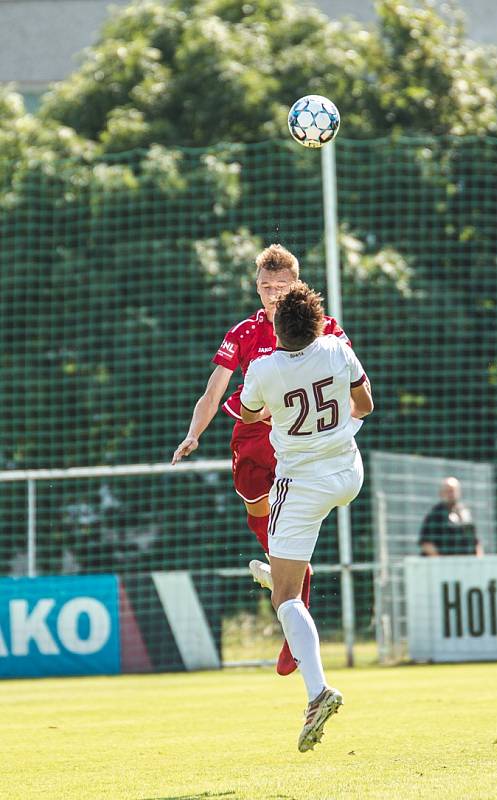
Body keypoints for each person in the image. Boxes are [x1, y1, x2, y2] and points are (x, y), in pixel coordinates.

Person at [172, 244, 351, 676]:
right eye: (265, 286)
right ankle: (288, 572)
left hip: (298, 437)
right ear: (256, 287)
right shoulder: (244, 333)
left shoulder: (321, 327)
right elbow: (215, 389)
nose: (273, 294)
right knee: (256, 506)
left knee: (292, 512)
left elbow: (348, 375)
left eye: (281, 286)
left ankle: (292, 598)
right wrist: (194, 432)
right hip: (250, 433)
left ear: (296, 284)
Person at [240, 281, 373, 752]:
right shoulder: (338, 350)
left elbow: (252, 416)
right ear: (319, 323)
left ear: (276, 326)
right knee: (281, 578)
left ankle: (317, 692)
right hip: (348, 472)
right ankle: (271, 571)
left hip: (300, 487)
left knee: (286, 598)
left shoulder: (263, 368)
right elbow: (365, 405)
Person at [418, 476, 483, 557]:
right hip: (445, 565)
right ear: (441, 493)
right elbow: (426, 543)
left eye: (453, 491)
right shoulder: (435, 514)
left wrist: (479, 559)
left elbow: (475, 541)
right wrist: (440, 562)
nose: (451, 494)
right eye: (448, 491)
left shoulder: (465, 512)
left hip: (466, 564)